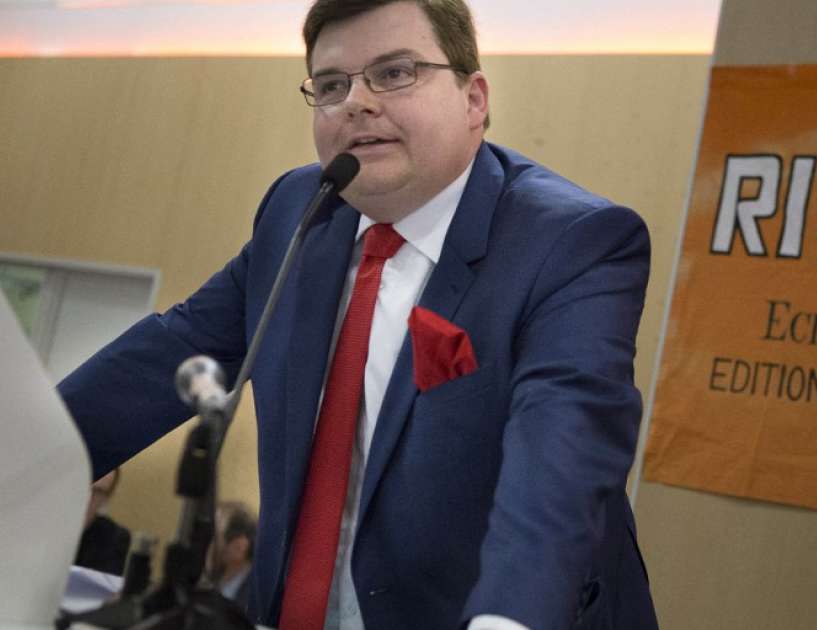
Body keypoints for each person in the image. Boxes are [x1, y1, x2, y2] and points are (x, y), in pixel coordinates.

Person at [57, 0, 658, 628]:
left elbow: (559, 465)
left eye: (395, 73)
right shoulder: (300, 209)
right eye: (331, 85)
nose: (356, 103)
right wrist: (25, 459)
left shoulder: (570, 244)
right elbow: (168, 355)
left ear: (474, 99)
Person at [74, 468, 131, 576]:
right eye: (83, 486)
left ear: (106, 499)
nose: (87, 498)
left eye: (97, 492)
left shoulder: (114, 537)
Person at [206, 500, 257, 611]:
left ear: (239, 546)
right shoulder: (208, 591)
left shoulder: (255, 602)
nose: (207, 546)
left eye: (214, 538)